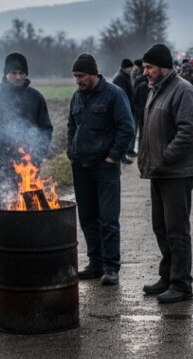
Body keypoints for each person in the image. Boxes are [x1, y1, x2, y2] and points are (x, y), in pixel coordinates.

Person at [0, 52, 53, 282]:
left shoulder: (35, 98)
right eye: (13, 72)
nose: (18, 76)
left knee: (28, 215)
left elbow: (45, 129)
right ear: (5, 74)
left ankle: (23, 258)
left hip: (28, 171)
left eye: (21, 72)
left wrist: (36, 158)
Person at [137, 44, 193, 304]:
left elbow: (189, 130)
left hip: (176, 172)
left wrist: (166, 156)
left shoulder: (183, 90)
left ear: (164, 68)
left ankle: (181, 284)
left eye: (149, 67)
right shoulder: (156, 90)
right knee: (160, 227)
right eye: (143, 68)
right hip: (160, 170)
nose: (145, 73)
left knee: (176, 230)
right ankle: (167, 276)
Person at [67, 53, 135, 286]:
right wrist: (71, 151)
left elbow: (126, 128)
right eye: (75, 76)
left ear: (94, 74)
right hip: (81, 166)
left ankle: (111, 267)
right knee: (87, 218)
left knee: (108, 219)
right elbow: (71, 126)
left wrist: (112, 157)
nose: (78, 80)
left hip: (104, 168)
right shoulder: (76, 97)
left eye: (82, 75)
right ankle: (95, 263)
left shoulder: (114, 94)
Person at [111, 58, 136, 161]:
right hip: (123, 109)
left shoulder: (123, 76)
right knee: (123, 132)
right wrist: (128, 108)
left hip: (125, 107)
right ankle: (122, 156)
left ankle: (123, 155)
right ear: (126, 67)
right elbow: (123, 95)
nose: (131, 69)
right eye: (130, 67)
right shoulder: (121, 78)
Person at [131, 60, 149, 153]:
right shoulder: (146, 87)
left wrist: (138, 110)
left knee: (142, 132)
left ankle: (142, 150)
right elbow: (134, 100)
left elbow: (134, 100)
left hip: (142, 112)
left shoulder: (140, 85)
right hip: (143, 112)